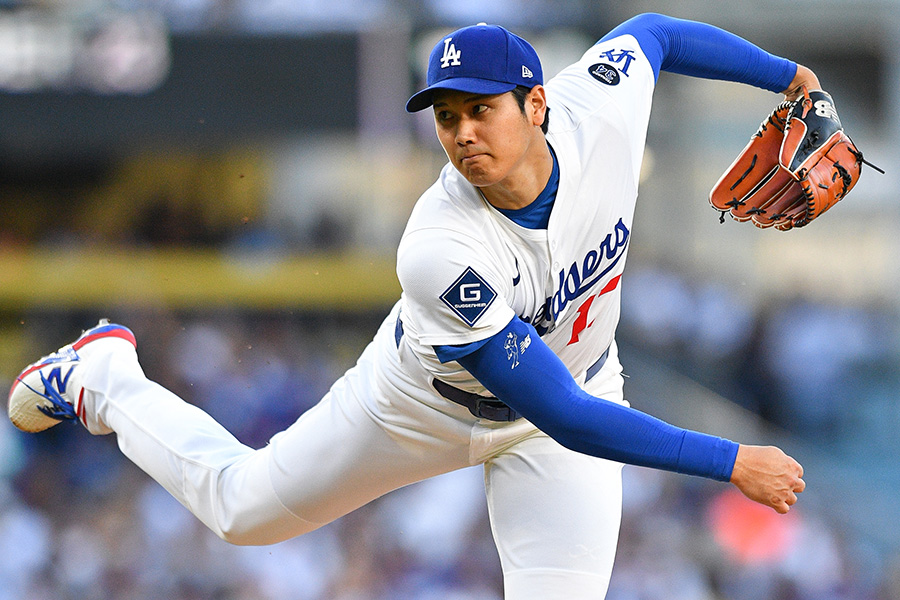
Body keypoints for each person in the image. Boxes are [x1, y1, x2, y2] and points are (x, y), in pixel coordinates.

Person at [9, 13, 809, 599]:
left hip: (574, 394)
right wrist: (730, 461)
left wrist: (790, 76)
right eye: (446, 116)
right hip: (419, 406)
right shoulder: (440, 245)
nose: (461, 133)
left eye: (481, 109)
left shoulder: (600, 108)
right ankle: (105, 376)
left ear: (536, 105)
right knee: (243, 510)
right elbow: (562, 413)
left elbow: (656, 32)